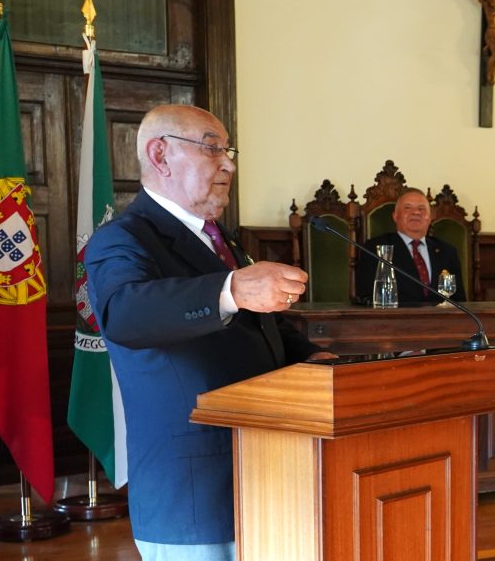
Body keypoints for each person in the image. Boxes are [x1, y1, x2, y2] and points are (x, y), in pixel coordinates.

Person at [85, 104, 326, 561]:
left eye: (228, 150)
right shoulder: (123, 238)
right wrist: (231, 287)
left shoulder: (220, 239)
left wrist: (313, 359)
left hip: (266, 475)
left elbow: (259, 327)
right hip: (194, 487)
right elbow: (125, 313)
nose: (229, 163)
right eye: (213, 148)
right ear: (160, 154)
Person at [355, 188, 466, 304]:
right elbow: (367, 295)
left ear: (430, 217)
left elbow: (459, 299)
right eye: (408, 208)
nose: (416, 212)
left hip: (441, 320)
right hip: (395, 319)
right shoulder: (376, 249)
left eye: (421, 209)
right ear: (395, 216)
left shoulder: (447, 251)